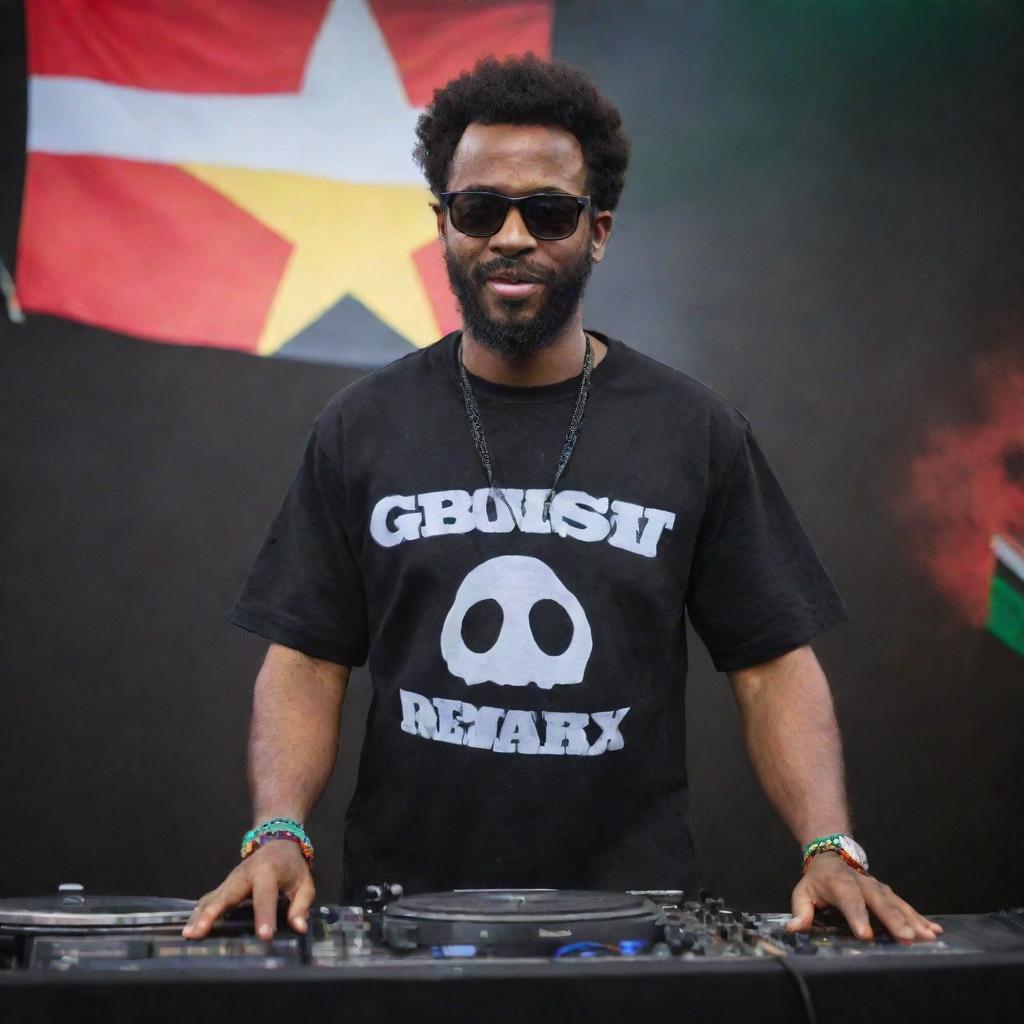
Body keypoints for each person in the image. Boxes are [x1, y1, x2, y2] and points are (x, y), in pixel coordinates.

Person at [183, 55, 942, 946]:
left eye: (548, 212)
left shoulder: (693, 431)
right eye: (479, 209)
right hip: (411, 919)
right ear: (443, 227)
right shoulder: (361, 427)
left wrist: (829, 846)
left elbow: (771, 661)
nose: (512, 236)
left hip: (634, 921)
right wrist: (278, 832)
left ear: (599, 230)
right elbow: (308, 657)